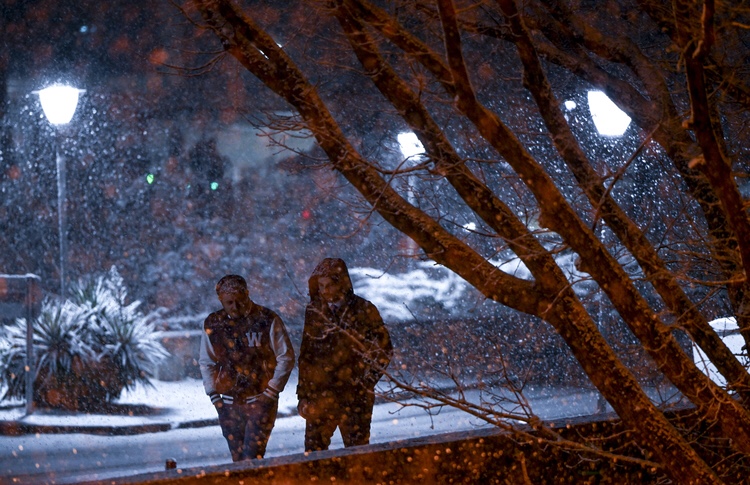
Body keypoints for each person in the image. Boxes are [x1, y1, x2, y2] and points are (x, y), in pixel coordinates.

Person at [296, 258, 393, 451]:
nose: (325, 291)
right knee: (314, 454)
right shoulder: (315, 311)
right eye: (321, 286)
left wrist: (365, 381)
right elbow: (307, 356)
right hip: (320, 396)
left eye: (330, 285)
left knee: (357, 454)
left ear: (342, 283)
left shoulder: (363, 309)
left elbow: (384, 350)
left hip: (354, 397)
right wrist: (304, 396)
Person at [199, 274, 295, 461]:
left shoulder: (267, 319)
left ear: (247, 294)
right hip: (229, 402)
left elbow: (286, 357)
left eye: (239, 300)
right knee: (238, 459)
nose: (235, 307)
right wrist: (214, 396)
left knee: (251, 457)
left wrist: (270, 393)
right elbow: (206, 361)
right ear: (221, 301)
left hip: (259, 400)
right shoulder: (213, 323)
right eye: (230, 302)